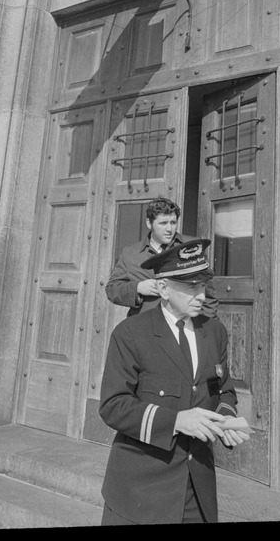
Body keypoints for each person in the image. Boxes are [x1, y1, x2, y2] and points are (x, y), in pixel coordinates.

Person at [99, 239, 250, 525]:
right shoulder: (131, 333)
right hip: (140, 492)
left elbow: (224, 390)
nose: (202, 296)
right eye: (191, 287)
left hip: (197, 491)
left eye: (203, 286)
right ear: (164, 289)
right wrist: (177, 421)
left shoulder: (214, 332)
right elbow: (113, 405)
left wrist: (223, 420)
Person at [105, 197, 219, 318]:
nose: (169, 229)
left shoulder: (192, 247)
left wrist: (202, 326)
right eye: (163, 223)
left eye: (173, 223)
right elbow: (112, 290)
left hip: (185, 326)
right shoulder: (130, 254)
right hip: (147, 326)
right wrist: (138, 288)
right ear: (149, 223)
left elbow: (209, 294)